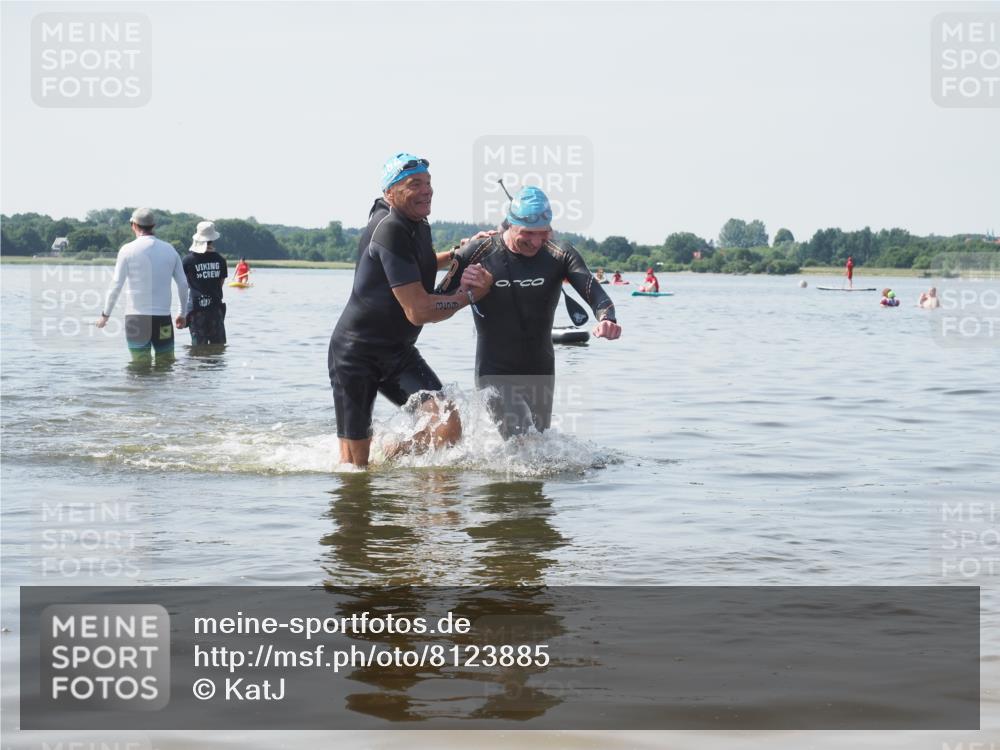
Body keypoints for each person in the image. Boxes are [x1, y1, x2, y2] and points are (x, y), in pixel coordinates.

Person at [328, 152, 493, 467]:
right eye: (414, 184)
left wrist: (462, 252)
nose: (426, 190)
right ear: (390, 192)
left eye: (428, 183)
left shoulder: (416, 223)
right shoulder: (390, 228)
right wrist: (470, 296)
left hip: (398, 354)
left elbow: (420, 263)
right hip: (355, 356)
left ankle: (394, 456)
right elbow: (419, 311)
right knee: (354, 468)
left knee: (447, 422)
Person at [437, 186, 622, 438]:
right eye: (528, 233)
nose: (536, 242)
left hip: (541, 369)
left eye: (543, 233)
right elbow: (434, 304)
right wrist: (463, 290)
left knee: (538, 447)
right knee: (521, 438)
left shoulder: (560, 254)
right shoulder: (477, 253)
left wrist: (607, 319)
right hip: (494, 369)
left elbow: (595, 294)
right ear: (510, 225)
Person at [97, 208, 188, 364]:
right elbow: (183, 284)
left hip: (136, 319)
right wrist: (182, 313)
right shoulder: (170, 250)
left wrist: (105, 315)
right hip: (162, 320)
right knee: (165, 365)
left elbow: (116, 285)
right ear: (154, 225)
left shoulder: (127, 250)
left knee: (139, 366)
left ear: (133, 225)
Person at [181, 221, 228, 346]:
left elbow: (183, 285)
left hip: (196, 310)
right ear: (212, 239)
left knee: (197, 349)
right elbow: (220, 283)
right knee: (218, 348)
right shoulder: (220, 260)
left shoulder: (187, 260)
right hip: (215, 309)